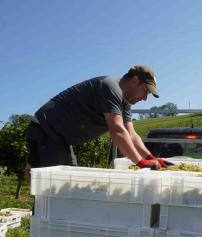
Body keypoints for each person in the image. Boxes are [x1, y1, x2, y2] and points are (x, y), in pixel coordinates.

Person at [26, 65, 172, 171]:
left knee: (68, 182)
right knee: (54, 188)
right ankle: (40, 212)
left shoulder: (124, 102)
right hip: (47, 131)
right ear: (135, 80)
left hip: (61, 139)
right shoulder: (110, 88)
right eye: (146, 91)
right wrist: (140, 163)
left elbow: (131, 134)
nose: (145, 98)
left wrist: (151, 157)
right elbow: (117, 130)